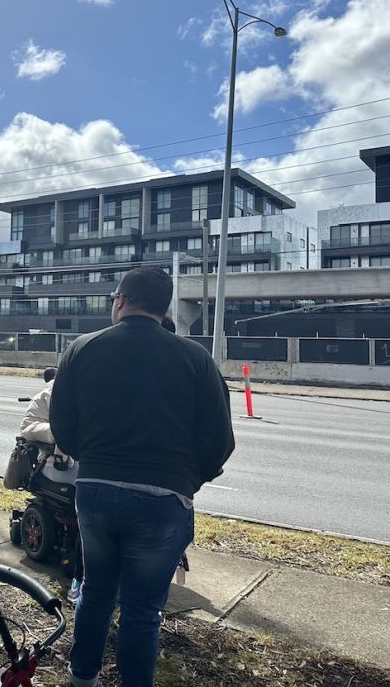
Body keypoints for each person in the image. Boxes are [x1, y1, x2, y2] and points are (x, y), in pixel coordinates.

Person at [48, 267, 235, 687]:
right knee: (142, 609)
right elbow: (219, 439)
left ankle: (83, 679)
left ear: (121, 300)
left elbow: (62, 424)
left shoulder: (82, 349)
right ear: (164, 307)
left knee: (95, 593)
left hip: (95, 490)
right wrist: (187, 478)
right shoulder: (195, 359)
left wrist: (91, 459)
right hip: (164, 497)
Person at [19, 371, 82, 604]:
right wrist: (59, 433)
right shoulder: (46, 397)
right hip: (57, 465)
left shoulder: (92, 394)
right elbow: (28, 427)